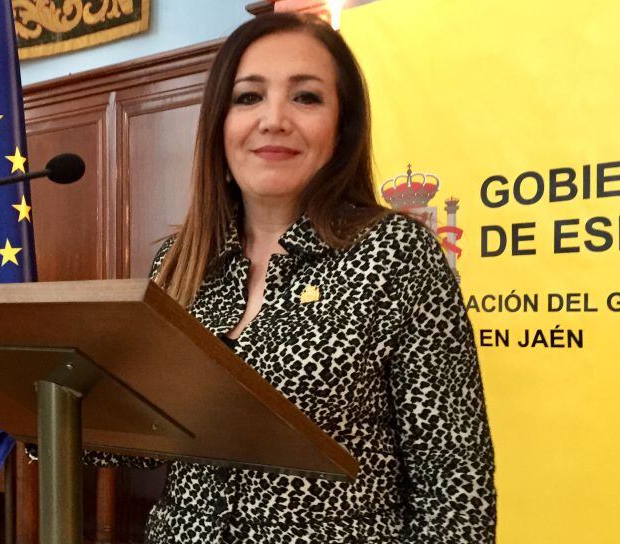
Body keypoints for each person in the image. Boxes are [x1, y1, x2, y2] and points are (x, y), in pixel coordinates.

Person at [89, 12, 497, 543]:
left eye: (306, 97)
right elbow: (135, 429)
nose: (274, 119)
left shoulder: (398, 254)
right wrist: (11, 401)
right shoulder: (177, 260)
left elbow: (454, 479)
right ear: (219, 122)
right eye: (248, 97)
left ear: (342, 126)